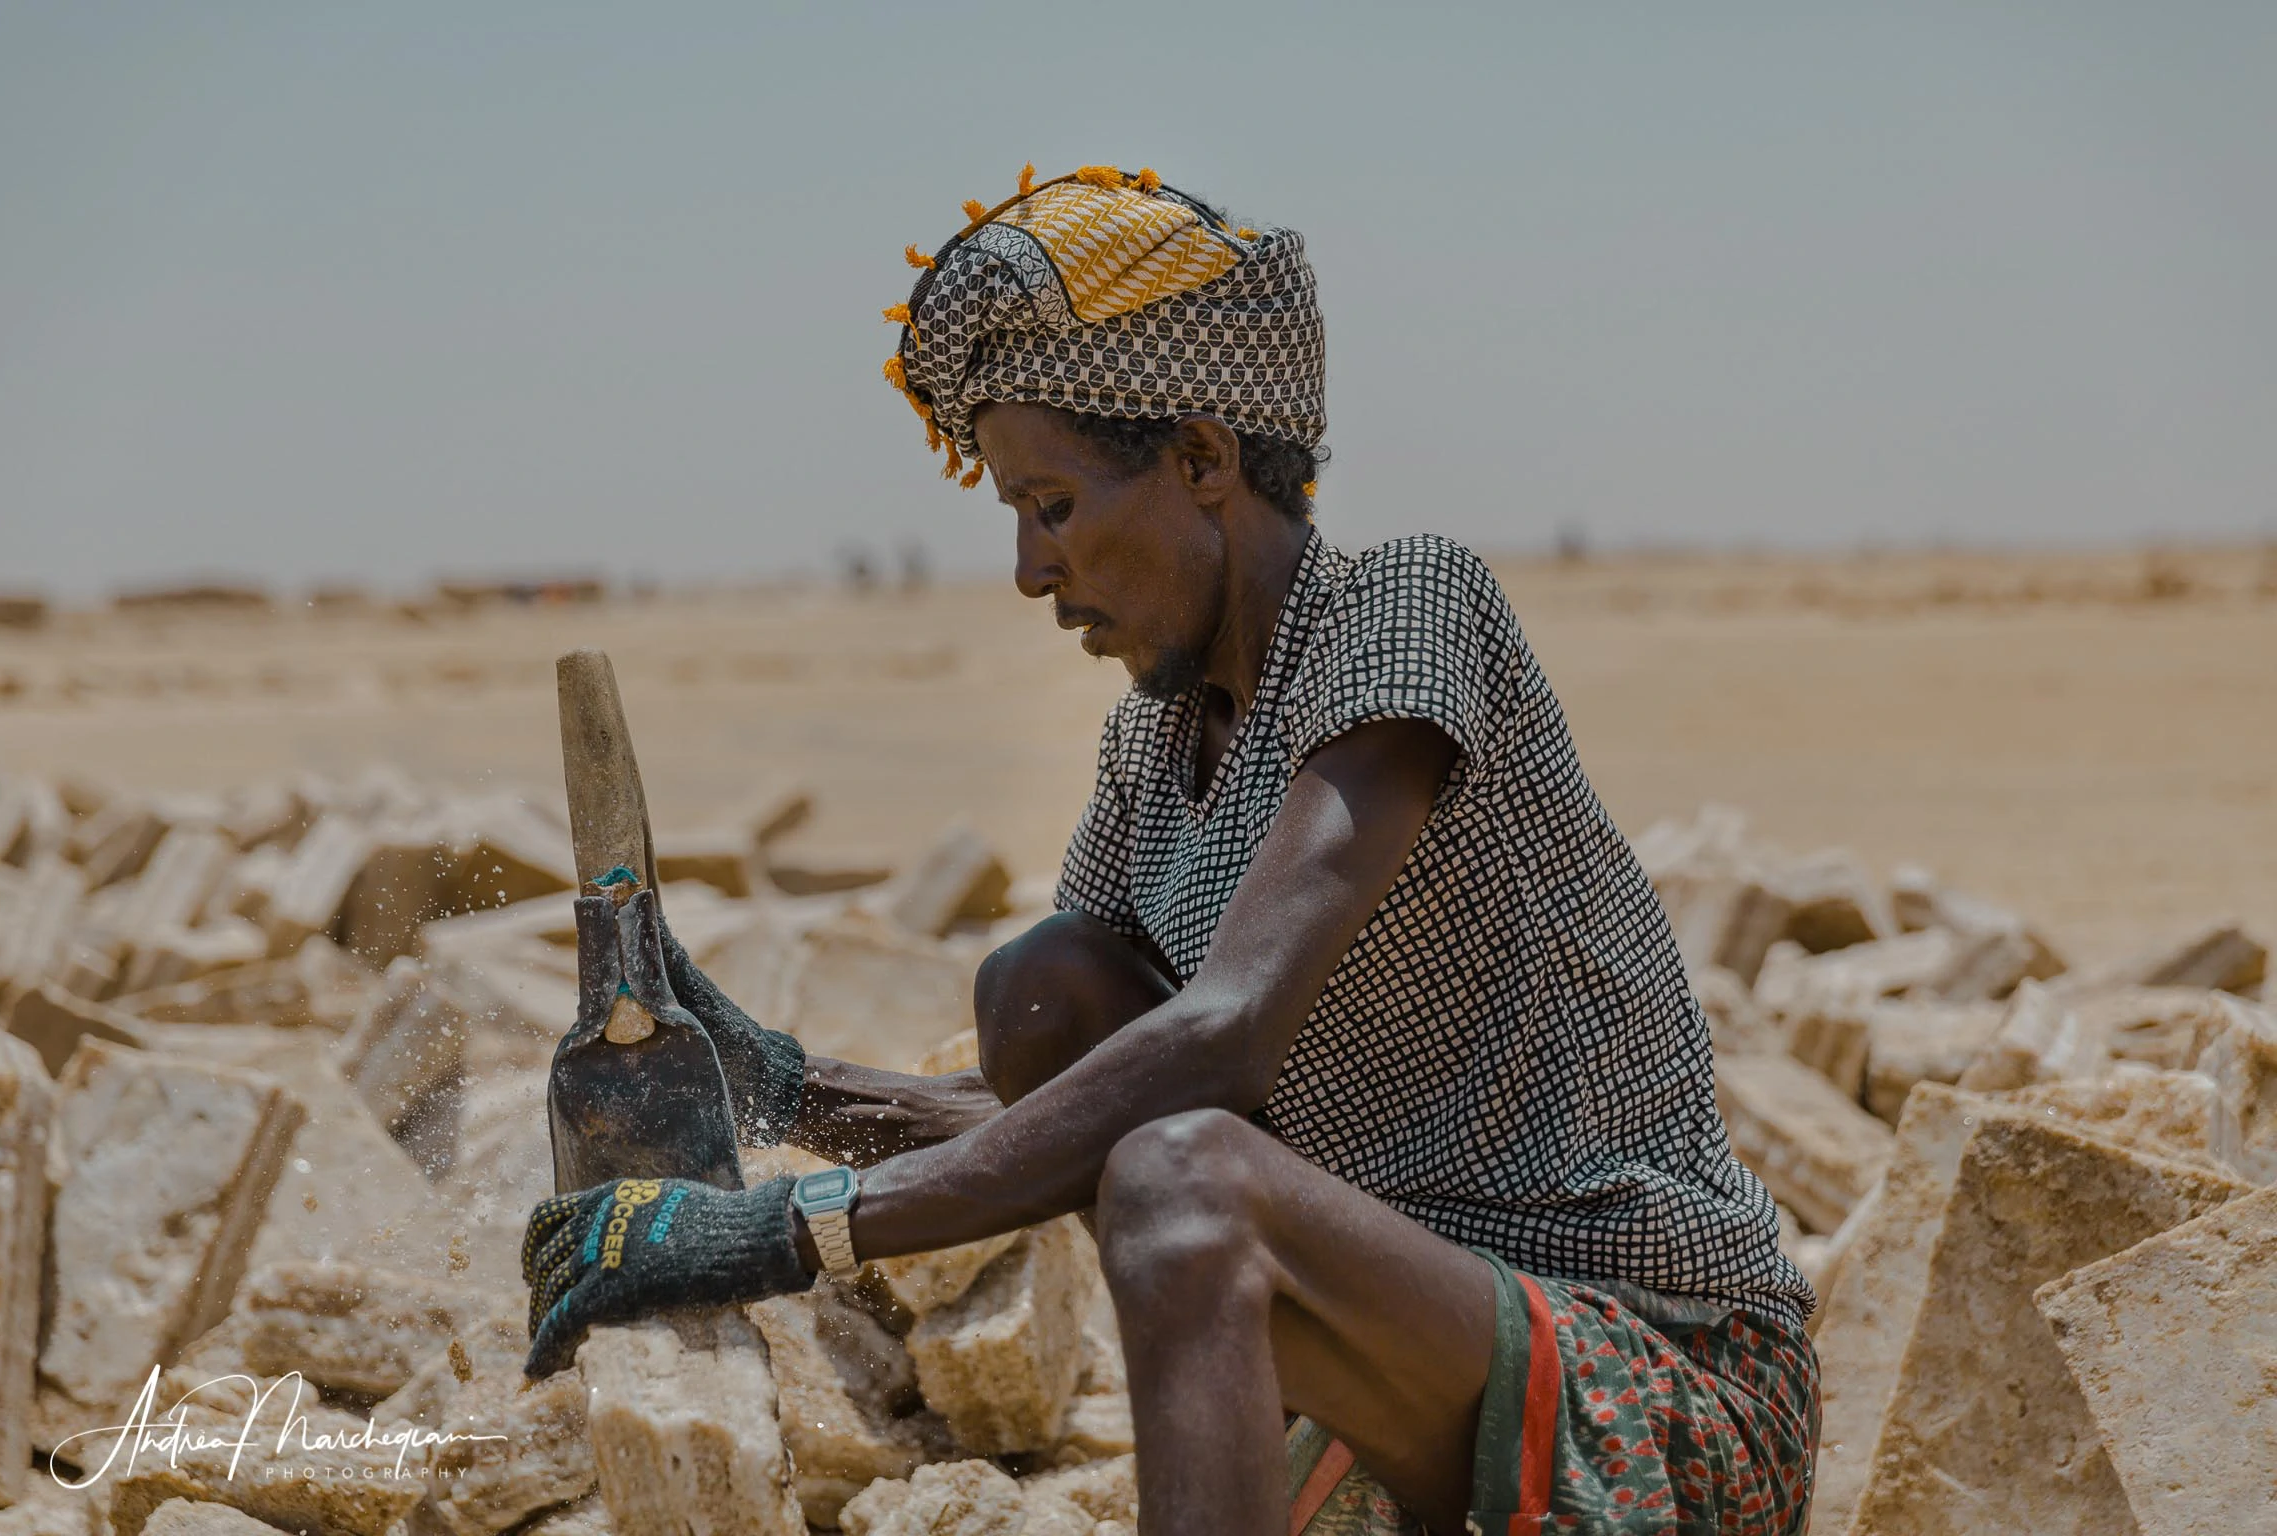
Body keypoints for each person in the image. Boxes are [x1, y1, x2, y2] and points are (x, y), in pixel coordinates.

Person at [521, 165, 1820, 1535]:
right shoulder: (1153, 755)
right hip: (1405, 1376)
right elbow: (1060, 1113)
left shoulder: (1404, 611)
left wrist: (788, 1233)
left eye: (1056, 506)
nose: (1030, 568)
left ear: (1201, 462)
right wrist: (780, 1087)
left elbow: (1221, 1039)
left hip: (1652, 1388)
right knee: (1050, 992)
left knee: (1183, 1180)